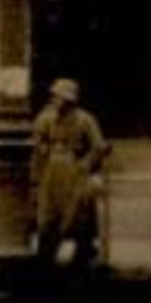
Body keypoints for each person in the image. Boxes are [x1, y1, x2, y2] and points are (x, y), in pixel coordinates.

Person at [32, 77, 108, 270]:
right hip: (51, 169)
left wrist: (85, 163)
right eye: (55, 96)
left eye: (59, 97)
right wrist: (42, 150)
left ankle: (83, 251)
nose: (55, 100)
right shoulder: (46, 117)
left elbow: (99, 146)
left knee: (78, 214)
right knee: (48, 214)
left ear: (69, 100)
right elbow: (37, 140)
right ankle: (46, 254)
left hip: (74, 170)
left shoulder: (85, 119)